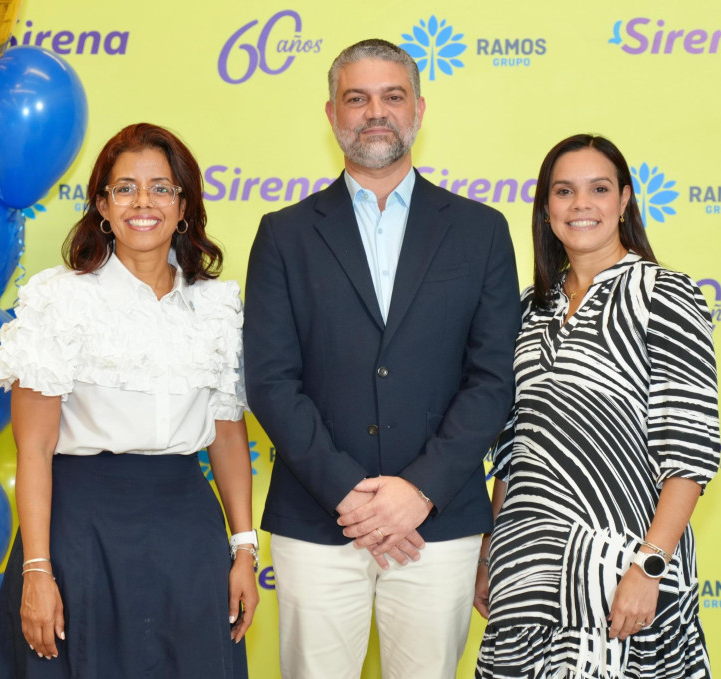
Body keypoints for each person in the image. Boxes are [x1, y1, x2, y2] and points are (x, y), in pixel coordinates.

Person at [243, 38, 519, 678]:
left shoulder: (481, 231)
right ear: (331, 113)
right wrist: (350, 495)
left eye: (392, 96)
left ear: (419, 108)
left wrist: (419, 491)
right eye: (357, 98)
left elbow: (492, 378)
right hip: (318, 518)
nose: (375, 112)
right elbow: (271, 380)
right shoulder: (284, 234)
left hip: (437, 522)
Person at [0, 123, 258, 678]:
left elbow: (228, 437)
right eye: (125, 188)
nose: (143, 202)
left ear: (184, 206)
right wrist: (37, 569)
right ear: (103, 207)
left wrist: (244, 551)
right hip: (79, 534)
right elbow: (33, 450)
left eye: (161, 188)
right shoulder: (59, 299)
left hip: (189, 535)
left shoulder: (216, 307)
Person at [474, 134, 720, 678]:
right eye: (564, 191)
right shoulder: (527, 309)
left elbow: (689, 451)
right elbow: (512, 451)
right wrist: (490, 556)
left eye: (599, 189)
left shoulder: (665, 294)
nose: (580, 204)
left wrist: (649, 567)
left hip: (623, 569)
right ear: (545, 208)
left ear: (625, 200)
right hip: (526, 573)